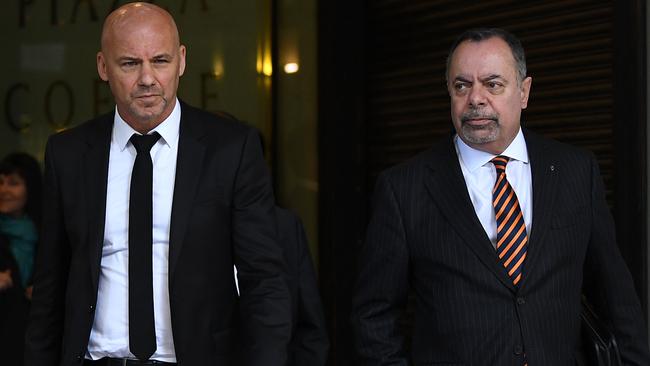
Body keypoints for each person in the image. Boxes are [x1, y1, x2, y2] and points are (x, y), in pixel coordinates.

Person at [352, 28, 650, 365]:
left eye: (493, 84)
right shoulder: (404, 188)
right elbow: (373, 317)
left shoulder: (575, 172)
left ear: (524, 92)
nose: (475, 99)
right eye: (462, 86)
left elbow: (616, 299)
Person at [25, 3, 290, 366]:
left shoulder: (231, 149)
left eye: (160, 61)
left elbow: (264, 280)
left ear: (181, 61)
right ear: (103, 66)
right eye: (130, 63)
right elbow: (50, 287)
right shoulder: (69, 154)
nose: (147, 78)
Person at [0, 152, 42, 366]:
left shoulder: (48, 233)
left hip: (33, 344)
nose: (3, 190)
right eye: (0, 182)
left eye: (13, 183)